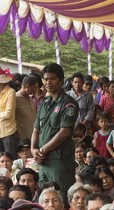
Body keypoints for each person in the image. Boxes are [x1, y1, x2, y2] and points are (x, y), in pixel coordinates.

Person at [31, 63, 78, 200]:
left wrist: (43, 150)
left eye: (52, 79)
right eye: (45, 79)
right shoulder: (45, 102)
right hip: (42, 160)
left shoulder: (68, 103)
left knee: (62, 196)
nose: (48, 82)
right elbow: (36, 128)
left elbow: (65, 132)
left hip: (59, 160)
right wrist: (34, 149)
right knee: (45, 196)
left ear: (61, 80)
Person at [14, 75, 37, 140]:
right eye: (34, 88)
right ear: (27, 86)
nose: (35, 90)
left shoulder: (30, 98)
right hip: (22, 139)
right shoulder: (15, 98)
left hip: (32, 138)